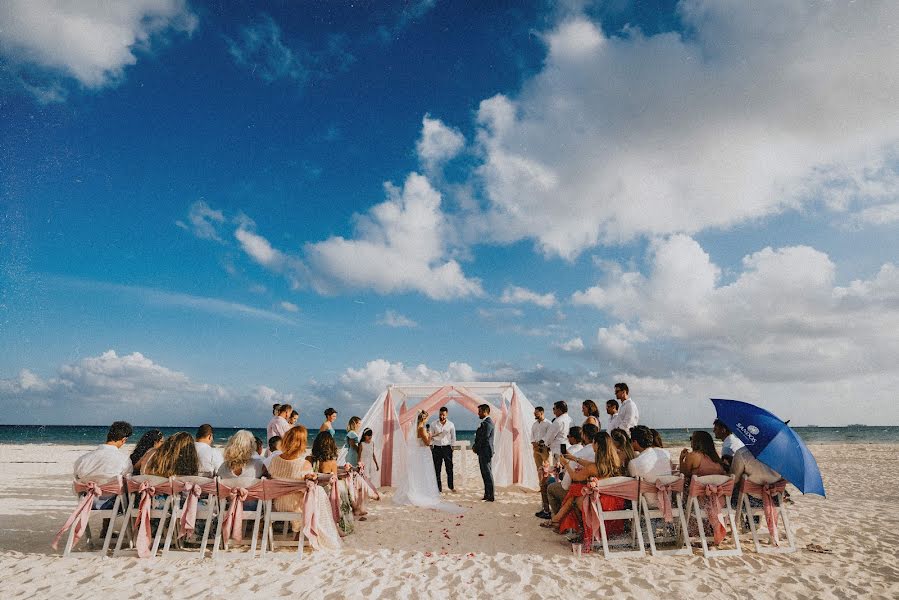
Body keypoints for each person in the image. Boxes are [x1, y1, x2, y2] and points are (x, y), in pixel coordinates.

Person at [268, 426, 341, 551]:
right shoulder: (304, 464)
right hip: (297, 506)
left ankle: (300, 534)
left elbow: (270, 477)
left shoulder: (274, 460)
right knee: (318, 492)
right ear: (301, 444)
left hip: (278, 503)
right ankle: (313, 532)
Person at [550, 432, 626, 542]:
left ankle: (573, 527)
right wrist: (574, 458)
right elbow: (591, 465)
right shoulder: (615, 462)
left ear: (597, 445)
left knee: (576, 492)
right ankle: (558, 519)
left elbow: (576, 477)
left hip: (601, 503)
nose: (592, 445)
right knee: (576, 491)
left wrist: (566, 464)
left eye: (593, 443)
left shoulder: (594, 467)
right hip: (614, 500)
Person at [395, 411, 461, 511]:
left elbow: (424, 439)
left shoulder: (419, 427)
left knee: (421, 473)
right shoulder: (421, 428)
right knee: (425, 473)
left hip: (421, 452)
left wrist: (432, 435)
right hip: (423, 453)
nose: (427, 420)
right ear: (423, 419)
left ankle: (422, 491)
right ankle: (423, 493)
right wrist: (431, 436)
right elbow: (426, 443)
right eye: (426, 418)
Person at [73, 421, 133, 510]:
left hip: (87, 502)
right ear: (124, 440)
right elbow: (128, 482)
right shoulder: (124, 460)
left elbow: (76, 481)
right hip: (113, 505)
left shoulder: (83, 459)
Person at [544, 424, 598, 519]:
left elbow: (567, 482)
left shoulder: (580, 454)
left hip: (583, 490)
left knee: (551, 488)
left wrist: (566, 464)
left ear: (584, 436)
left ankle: (557, 519)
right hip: (599, 489)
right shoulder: (603, 455)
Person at [310, 433, 354, 533]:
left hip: (312, 492)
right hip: (326, 493)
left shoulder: (309, 459)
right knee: (342, 489)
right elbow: (334, 479)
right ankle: (340, 525)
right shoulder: (331, 462)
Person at [532, 406, 554, 519]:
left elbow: (548, 436)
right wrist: (534, 443)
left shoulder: (548, 423)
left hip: (544, 449)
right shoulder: (534, 424)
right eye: (534, 413)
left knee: (546, 472)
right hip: (536, 449)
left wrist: (542, 443)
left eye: (536, 413)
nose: (535, 415)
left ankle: (547, 503)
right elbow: (532, 435)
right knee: (539, 472)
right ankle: (543, 501)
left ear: (542, 412)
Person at [430, 407, 456, 492]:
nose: (442, 416)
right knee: (437, 469)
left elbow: (453, 437)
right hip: (437, 448)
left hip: (447, 448)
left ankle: (451, 486)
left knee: (449, 468)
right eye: (440, 414)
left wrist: (453, 446)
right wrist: (431, 445)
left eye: (443, 415)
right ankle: (438, 488)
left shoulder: (451, 424)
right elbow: (430, 436)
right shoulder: (433, 424)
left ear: (447, 414)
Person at [472, 404, 495, 502]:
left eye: (480, 411)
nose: (478, 413)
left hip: (485, 451)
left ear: (485, 412)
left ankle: (490, 496)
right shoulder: (485, 422)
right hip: (483, 451)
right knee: (484, 473)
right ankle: (487, 494)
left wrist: (475, 447)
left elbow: (484, 438)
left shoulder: (487, 423)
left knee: (487, 473)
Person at [548, 401, 572, 467]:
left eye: (554, 408)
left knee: (557, 472)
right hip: (569, 449)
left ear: (559, 410)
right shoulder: (571, 420)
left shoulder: (558, 421)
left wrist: (547, 444)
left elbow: (549, 437)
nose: (553, 411)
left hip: (558, 450)